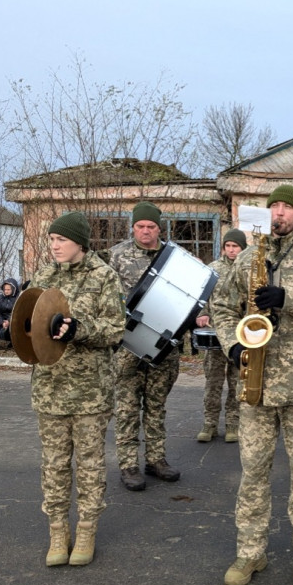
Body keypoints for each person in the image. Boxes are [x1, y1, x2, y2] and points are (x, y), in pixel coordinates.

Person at [212, 183, 293, 585]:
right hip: (257, 385)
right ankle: (251, 551)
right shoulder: (249, 256)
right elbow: (220, 305)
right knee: (253, 475)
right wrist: (233, 345)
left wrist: (287, 297)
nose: (280, 213)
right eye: (275, 207)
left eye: (287, 207)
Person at [29, 211, 125, 568]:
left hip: (90, 392)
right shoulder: (43, 276)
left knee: (88, 465)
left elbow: (116, 329)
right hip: (50, 388)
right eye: (51, 240)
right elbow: (30, 323)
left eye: (61, 240)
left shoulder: (104, 277)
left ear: (80, 243)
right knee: (53, 465)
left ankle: (86, 529)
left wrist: (79, 330)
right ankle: (57, 531)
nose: (54, 246)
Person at [107, 202, 182, 492]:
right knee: (126, 408)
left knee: (156, 406)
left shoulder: (172, 257)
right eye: (141, 226)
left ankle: (156, 460)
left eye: (151, 227)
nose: (146, 231)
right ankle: (128, 465)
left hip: (164, 343)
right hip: (128, 345)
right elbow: (106, 294)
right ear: (133, 227)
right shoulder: (116, 255)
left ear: (158, 228)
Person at [195, 228, 247, 443]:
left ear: (242, 248)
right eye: (228, 246)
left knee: (237, 381)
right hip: (216, 334)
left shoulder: (247, 269)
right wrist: (202, 313)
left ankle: (233, 423)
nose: (231, 250)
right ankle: (209, 424)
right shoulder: (213, 269)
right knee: (213, 382)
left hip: (240, 334)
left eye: (235, 246)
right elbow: (201, 295)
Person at [0, 278, 20, 346]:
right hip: (3, 323)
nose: (6, 291)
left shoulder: (19, 297)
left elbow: (18, 312)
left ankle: (14, 342)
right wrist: (2, 322)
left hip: (16, 322)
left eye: (8, 289)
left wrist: (9, 321)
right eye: (5, 289)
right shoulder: (1, 298)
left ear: (13, 289)